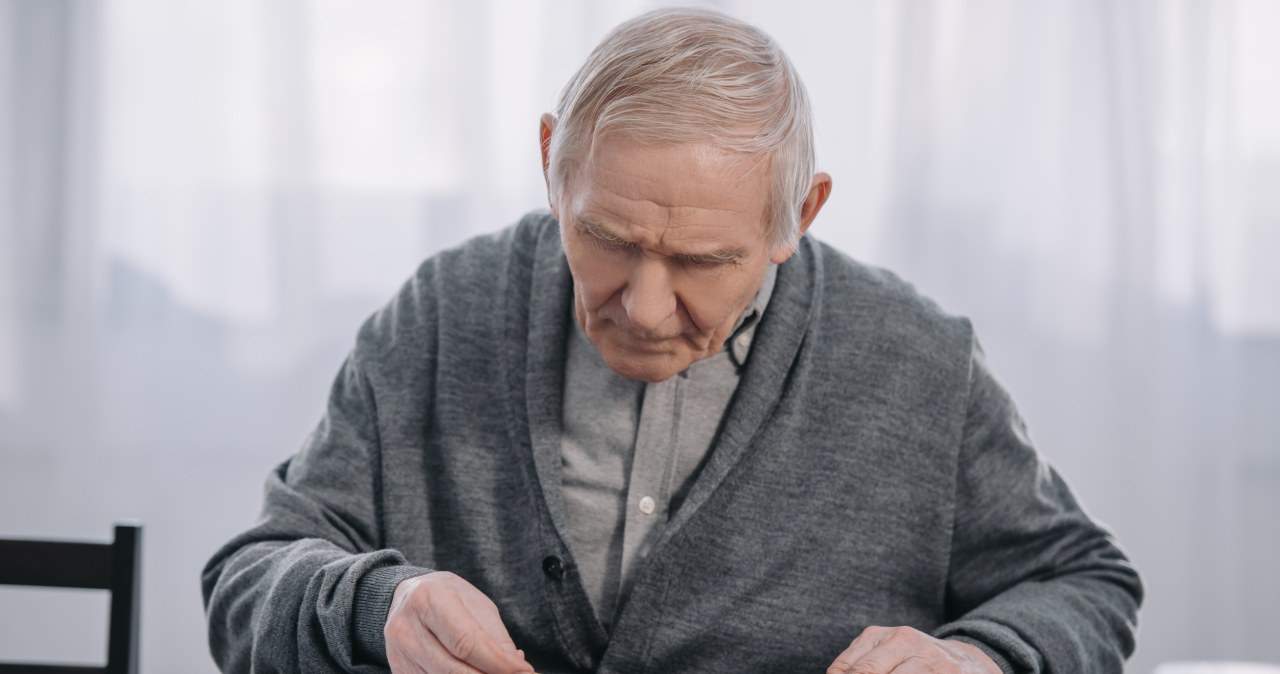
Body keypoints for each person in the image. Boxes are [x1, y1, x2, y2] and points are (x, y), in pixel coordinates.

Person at [203, 8, 1142, 674]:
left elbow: (1084, 584)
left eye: (703, 261)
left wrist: (977, 659)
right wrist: (378, 609)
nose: (647, 308)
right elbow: (246, 581)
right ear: (550, 163)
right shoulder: (443, 315)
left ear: (801, 214)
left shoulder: (916, 361)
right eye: (607, 240)